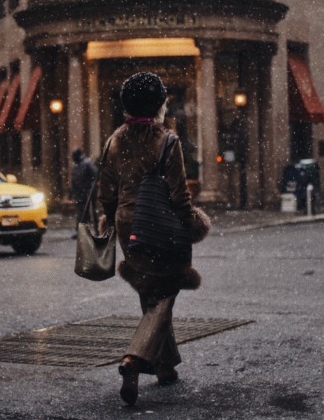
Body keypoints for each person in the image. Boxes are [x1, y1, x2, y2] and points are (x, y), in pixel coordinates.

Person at [98, 72, 210, 406]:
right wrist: (191, 223)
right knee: (165, 291)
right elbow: (179, 193)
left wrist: (113, 215)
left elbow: (106, 191)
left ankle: (165, 368)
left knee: (150, 288)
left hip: (125, 223)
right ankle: (134, 359)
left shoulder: (114, 140)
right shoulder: (167, 140)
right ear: (159, 104)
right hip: (159, 223)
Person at [70, 148, 98, 236]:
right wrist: (72, 193)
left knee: (93, 211)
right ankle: (80, 231)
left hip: (89, 191)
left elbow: (95, 174)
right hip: (80, 192)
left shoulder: (87, 163)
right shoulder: (75, 166)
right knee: (81, 212)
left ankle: (97, 230)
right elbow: (74, 180)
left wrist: (89, 186)